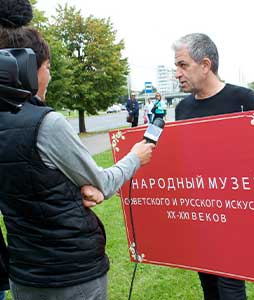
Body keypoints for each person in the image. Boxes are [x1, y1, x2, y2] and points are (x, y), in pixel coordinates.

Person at [0, 2, 155, 300]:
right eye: (47, 68)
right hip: (72, 275)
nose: (50, 76)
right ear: (28, 69)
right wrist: (136, 157)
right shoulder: (47, 123)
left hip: (24, 274)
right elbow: (101, 183)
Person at [173, 33, 254, 300]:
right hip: (201, 216)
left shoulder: (243, 98)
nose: (177, 73)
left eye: (182, 65)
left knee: (230, 288)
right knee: (208, 284)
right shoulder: (181, 109)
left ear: (205, 65)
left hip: (234, 217)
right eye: (176, 66)